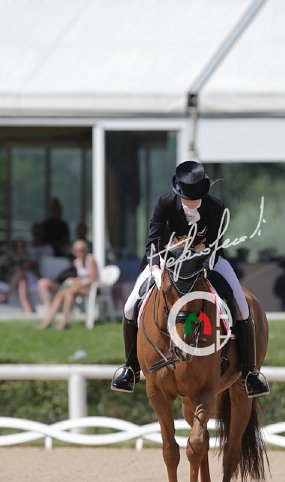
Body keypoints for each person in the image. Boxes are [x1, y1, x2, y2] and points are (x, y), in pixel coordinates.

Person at [111, 160, 270, 398]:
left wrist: (201, 262)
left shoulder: (215, 207)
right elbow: (153, 241)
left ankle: (249, 373)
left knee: (242, 306)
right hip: (165, 261)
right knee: (130, 306)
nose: (191, 202)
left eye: (195, 198)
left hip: (207, 261)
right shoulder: (165, 203)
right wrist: (155, 268)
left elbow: (215, 245)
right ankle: (130, 368)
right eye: (187, 198)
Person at [37, 239, 98, 330]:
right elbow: (80, 277)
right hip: (79, 288)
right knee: (62, 292)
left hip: (91, 289)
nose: (80, 252)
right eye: (77, 250)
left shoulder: (91, 259)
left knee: (69, 291)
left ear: (86, 250)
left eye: (82, 250)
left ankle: (64, 321)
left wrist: (78, 283)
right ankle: (49, 320)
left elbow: (94, 278)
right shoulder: (77, 262)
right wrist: (73, 280)